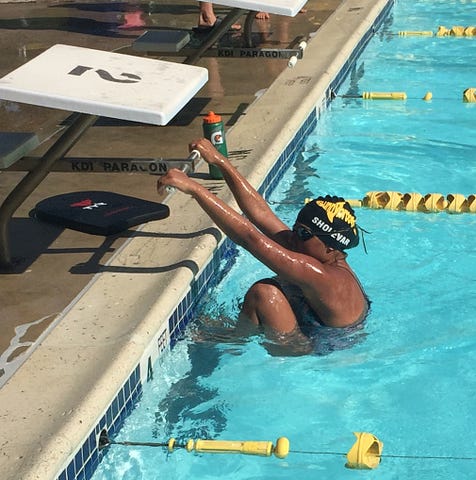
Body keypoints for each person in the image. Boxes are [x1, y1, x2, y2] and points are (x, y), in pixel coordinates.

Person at [157, 138, 370, 346]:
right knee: (279, 285)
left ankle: (234, 340)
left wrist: (195, 190)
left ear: (331, 247)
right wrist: (220, 161)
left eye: (303, 234)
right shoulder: (318, 253)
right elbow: (261, 214)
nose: (293, 237)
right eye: (295, 228)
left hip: (311, 347)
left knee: (265, 293)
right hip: (314, 327)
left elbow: (250, 239)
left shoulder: (322, 275)